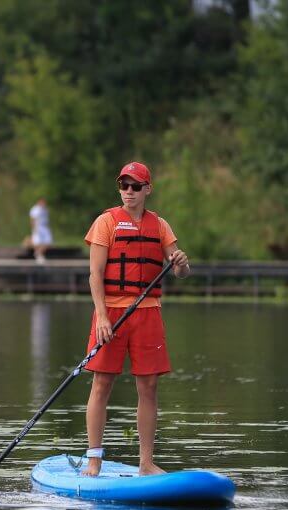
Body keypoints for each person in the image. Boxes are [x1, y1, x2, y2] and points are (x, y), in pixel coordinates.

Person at [82, 161, 190, 477]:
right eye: (123, 186)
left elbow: (181, 271)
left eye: (135, 186)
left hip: (147, 313)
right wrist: (101, 316)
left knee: (149, 386)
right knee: (102, 382)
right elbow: (95, 275)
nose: (128, 191)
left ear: (147, 190)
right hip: (112, 313)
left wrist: (183, 264)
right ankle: (94, 459)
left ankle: (145, 463)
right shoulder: (106, 222)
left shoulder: (160, 226)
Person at [29, 198, 53, 264]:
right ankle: (39, 256)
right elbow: (32, 219)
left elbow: (46, 219)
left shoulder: (45, 209)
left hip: (45, 227)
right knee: (38, 242)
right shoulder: (35, 209)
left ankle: (38, 253)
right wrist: (34, 228)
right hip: (38, 227)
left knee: (48, 241)